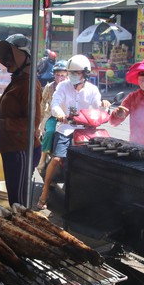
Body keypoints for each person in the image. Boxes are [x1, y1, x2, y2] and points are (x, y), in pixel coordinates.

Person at [37, 54, 110, 210]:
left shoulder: (93, 90)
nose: (72, 75)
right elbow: (55, 103)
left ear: (85, 74)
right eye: (71, 72)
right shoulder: (63, 86)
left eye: (76, 73)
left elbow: (98, 108)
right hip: (66, 128)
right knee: (57, 159)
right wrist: (59, 114)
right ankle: (44, 192)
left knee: (94, 161)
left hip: (86, 130)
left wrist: (104, 105)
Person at [0, 34, 41, 206]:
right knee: (14, 200)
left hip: (22, 150)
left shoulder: (28, 84)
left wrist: (1, 124)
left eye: (12, 56)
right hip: (11, 149)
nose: (7, 60)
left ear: (25, 57)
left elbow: (31, 122)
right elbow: (13, 111)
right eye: (6, 57)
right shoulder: (17, 81)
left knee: (19, 204)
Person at [37, 60, 68, 172]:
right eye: (58, 75)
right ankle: (42, 158)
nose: (60, 78)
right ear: (54, 75)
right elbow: (43, 102)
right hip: (52, 116)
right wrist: (40, 120)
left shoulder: (70, 87)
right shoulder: (49, 87)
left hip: (68, 118)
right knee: (49, 132)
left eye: (63, 76)